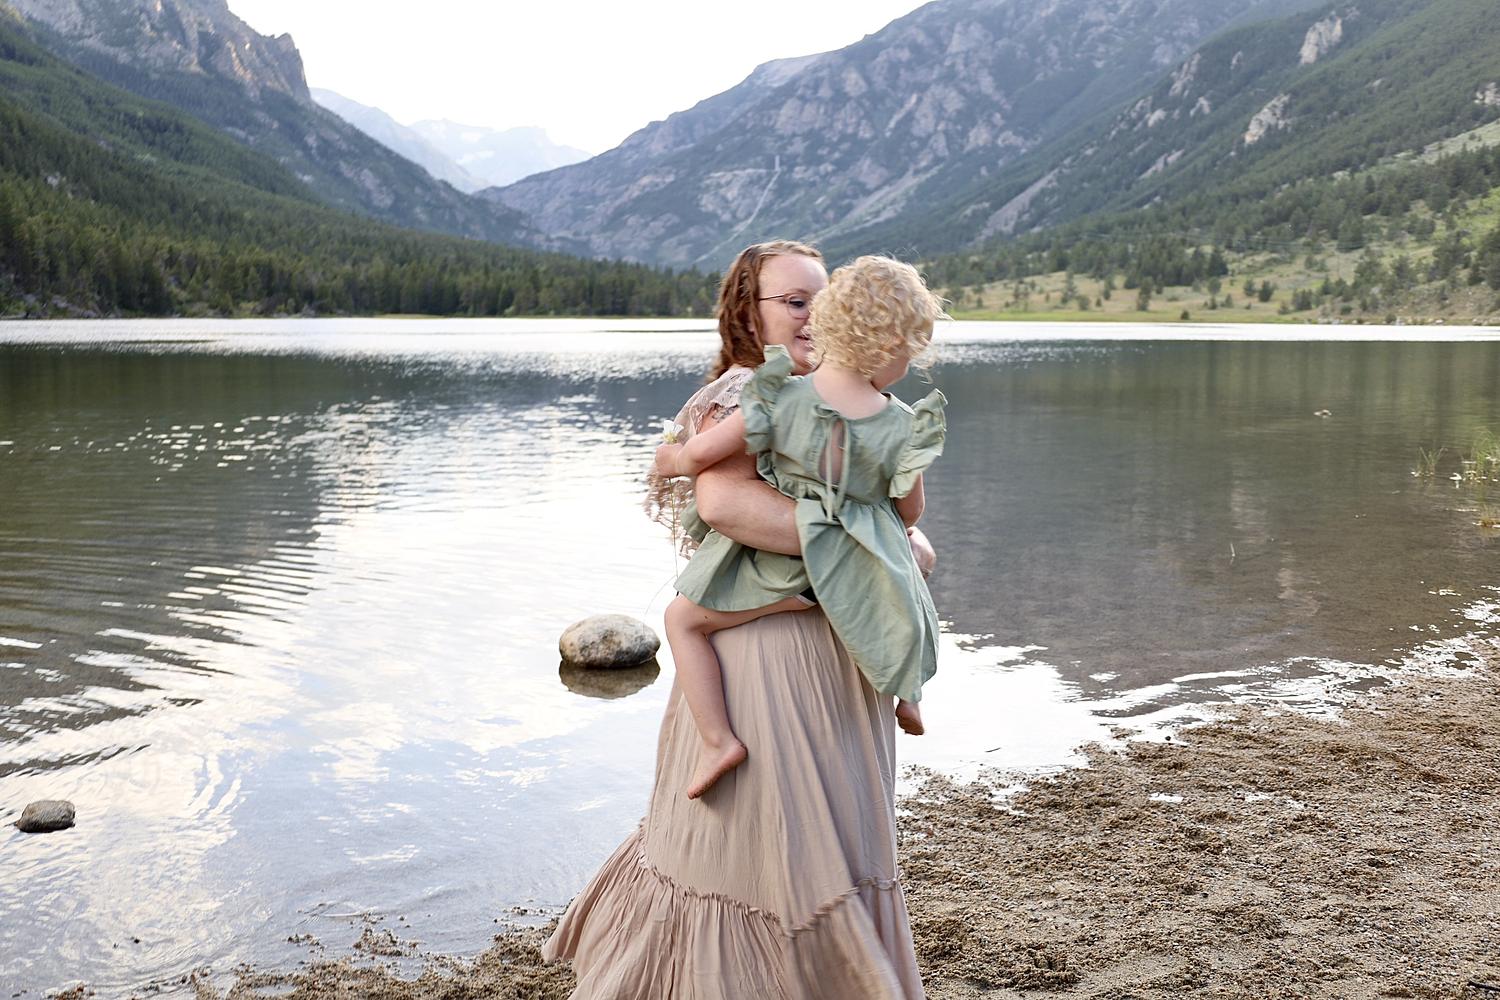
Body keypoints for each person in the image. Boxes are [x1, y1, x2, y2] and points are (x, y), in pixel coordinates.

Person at [543, 240, 931, 999]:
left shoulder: (823, 394)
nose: (813, 315)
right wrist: (874, 551)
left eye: (822, 299)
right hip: (769, 650)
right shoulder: (752, 394)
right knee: (773, 847)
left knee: (826, 835)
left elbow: (904, 520)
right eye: (795, 301)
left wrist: (894, 548)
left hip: (826, 642)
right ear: (747, 315)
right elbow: (725, 504)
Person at [654, 255, 946, 799]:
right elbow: (910, 513)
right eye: (794, 301)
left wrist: (669, 459)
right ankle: (909, 692)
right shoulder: (906, 423)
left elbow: (699, 456)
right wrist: (878, 529)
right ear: (895, 348)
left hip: (777, 571)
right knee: (905, 587)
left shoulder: (779, 398)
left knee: (681, 619)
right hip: (855, 578)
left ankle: (718, 741)